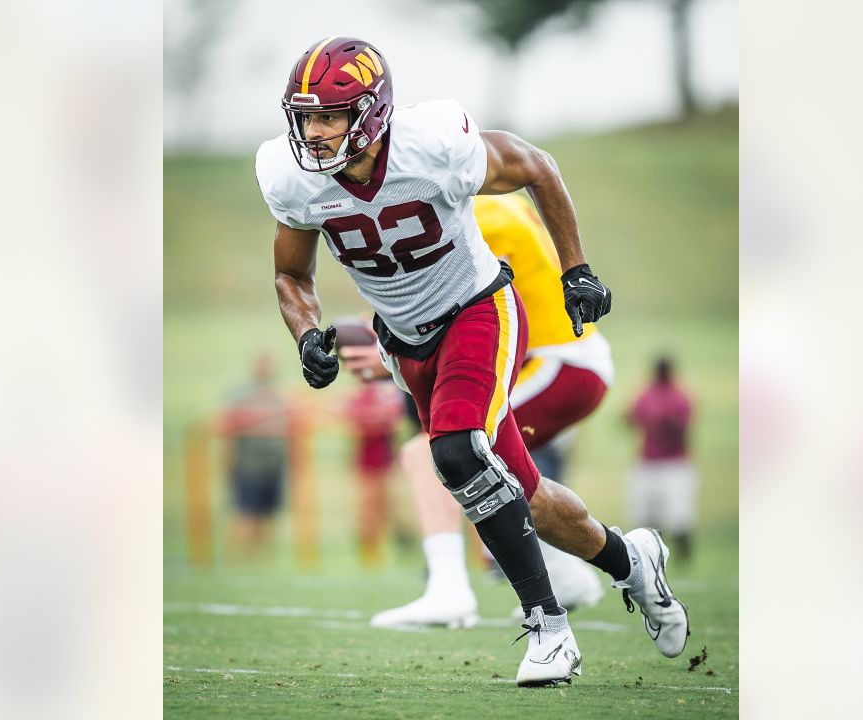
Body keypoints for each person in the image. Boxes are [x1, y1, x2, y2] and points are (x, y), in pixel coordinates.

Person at [255, 36, 687, 686]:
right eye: (305, 116)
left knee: (455, 452)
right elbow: (293, 274)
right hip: (406, 340)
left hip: (478, 307)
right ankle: (633, 561)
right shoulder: (292, 178)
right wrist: (306, 333)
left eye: (328, 117)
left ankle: (549, 630)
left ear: (371, 115)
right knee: (527, 496)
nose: (312, 133)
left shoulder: (432, 145)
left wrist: (578, 268)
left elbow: (536, 165)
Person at [341, 194, 614, 627]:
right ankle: (573, 573)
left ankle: (449, 588)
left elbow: (459, 306)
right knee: (502, 473)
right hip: (556, 358)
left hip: (559, 361)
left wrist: (386, 350)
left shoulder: (473, 217)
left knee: (437, 454)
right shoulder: (491, 203)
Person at [216, 352, 291, 556]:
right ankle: (238, 561)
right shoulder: (241, 395)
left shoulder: (279, 395)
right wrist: (228, 463)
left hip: (273, 467)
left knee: (268, 517)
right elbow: (228, 431)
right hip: (248, 467)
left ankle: (260, 564)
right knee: (245, 515)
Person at [626, 356, 698, 562]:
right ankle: (654, 556)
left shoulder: (674, 396)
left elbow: (681, 431)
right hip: (650, 461)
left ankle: (682, 559)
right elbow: (630, 418)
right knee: (647, 517)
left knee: (679, 516)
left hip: (672, 461)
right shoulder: (656, 395)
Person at [342, 369, 406, 566]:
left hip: (386, 464)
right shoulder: (362, 398)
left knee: (386, 510)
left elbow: (394, 420)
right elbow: (358, 421)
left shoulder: (386, 397)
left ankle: (380, 551)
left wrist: (378, 420)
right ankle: (369, 553)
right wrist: (379, 420)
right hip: (367, 466)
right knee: (367, 511)